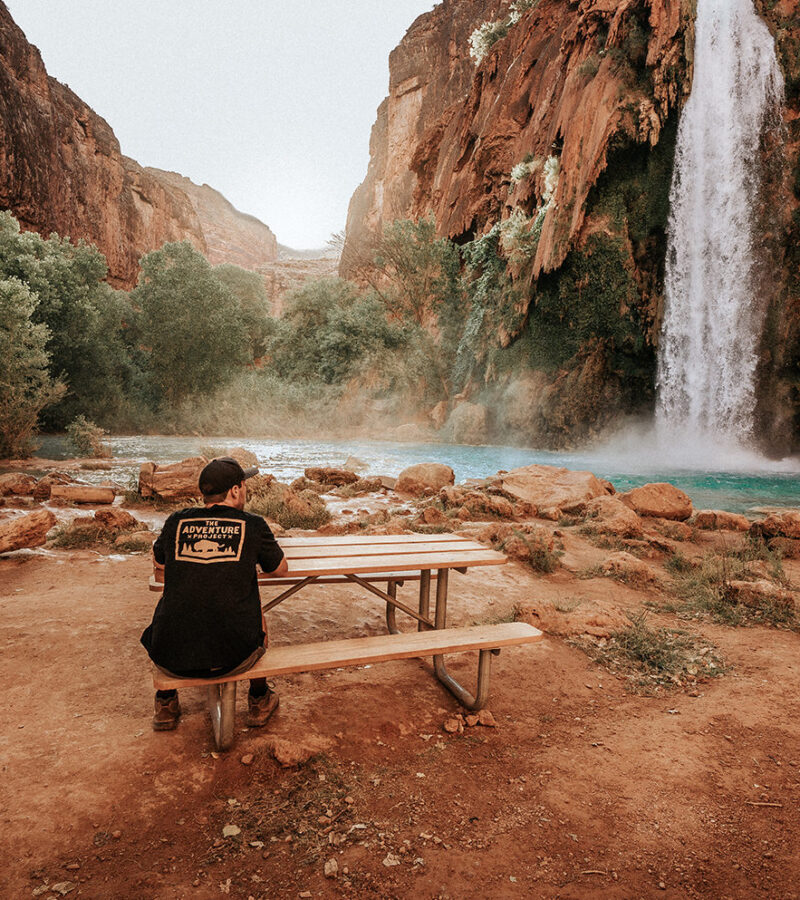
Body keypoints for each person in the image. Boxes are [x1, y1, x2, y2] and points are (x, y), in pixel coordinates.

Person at [141, 456, 288, 731]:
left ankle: (165, 702)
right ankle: (259, 697)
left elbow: (159, 567)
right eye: (244, 486)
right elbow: (280, 570)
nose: (246, 491)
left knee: (173, 603)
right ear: (235, 490)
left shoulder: (176, 522)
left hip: (171, 659)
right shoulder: (253, 524)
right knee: (256, 608)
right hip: (235, 659)